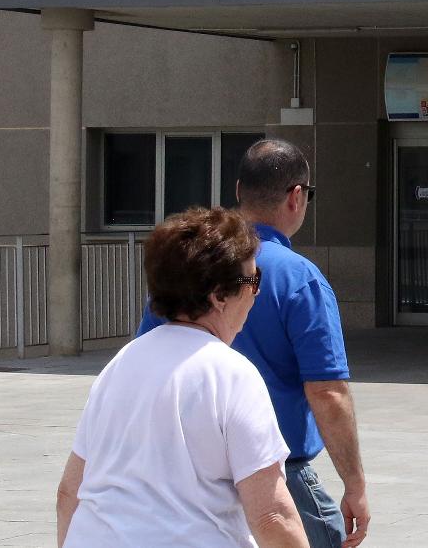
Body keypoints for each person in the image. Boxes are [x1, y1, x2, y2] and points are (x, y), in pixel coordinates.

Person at [138, 139, 369, 548]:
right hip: (280, 477)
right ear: (296, 197)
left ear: (240, 190)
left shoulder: (188, 270)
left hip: (187, 480)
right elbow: (327, 391)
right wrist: (355, 485)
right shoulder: (301, 280)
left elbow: (147, 367)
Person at [57, 207, 308, 548]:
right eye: (253, 281)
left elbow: (69, 492)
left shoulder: (119, 365)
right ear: (219, 295)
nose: (256, 293)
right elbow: (272, 516)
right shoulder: (232, 374)